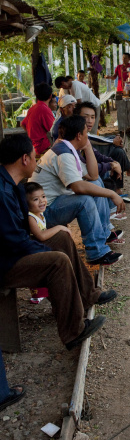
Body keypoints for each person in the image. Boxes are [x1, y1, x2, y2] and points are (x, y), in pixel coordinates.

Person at [0, 134, 116, 350]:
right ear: (24, 159)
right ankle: (74, 332)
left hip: (14, 250)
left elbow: (22, 232)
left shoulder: (13, 184)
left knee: (61, 237)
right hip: (6, 262)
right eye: (35, 157)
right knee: (58, 261)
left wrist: (44, 240)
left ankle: (88, 295)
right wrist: (41, 247)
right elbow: (14, 241)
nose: (37, 161)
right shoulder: (2, 192)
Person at [30, 115, 124, 266]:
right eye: (86, 133)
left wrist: (87, 147)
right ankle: (96, 252)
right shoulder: (64, 154)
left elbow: (92, 175)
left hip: (53, 203)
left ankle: (103, 234)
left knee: (96, 183)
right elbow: (78, 187)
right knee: (84, 201)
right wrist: (112, 193)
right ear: (79, 135)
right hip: (43, 212)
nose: (88, 136)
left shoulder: (67, 148)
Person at [25, 181, 71, 304]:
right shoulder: (31, 217)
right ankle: (37, 294)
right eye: (35, 199)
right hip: (33, 251)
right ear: (26, 203)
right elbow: (41, 236)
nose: (42, 201)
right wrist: (59, 227)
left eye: (43, 197)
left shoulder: (40, 214)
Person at [21, 83, 56, 157]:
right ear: (50, 96)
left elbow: (23, 124)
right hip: (43, 147)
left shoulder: (33, 108)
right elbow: (54, 130)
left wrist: (32, 136)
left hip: (34, 146)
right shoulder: (44, 109)